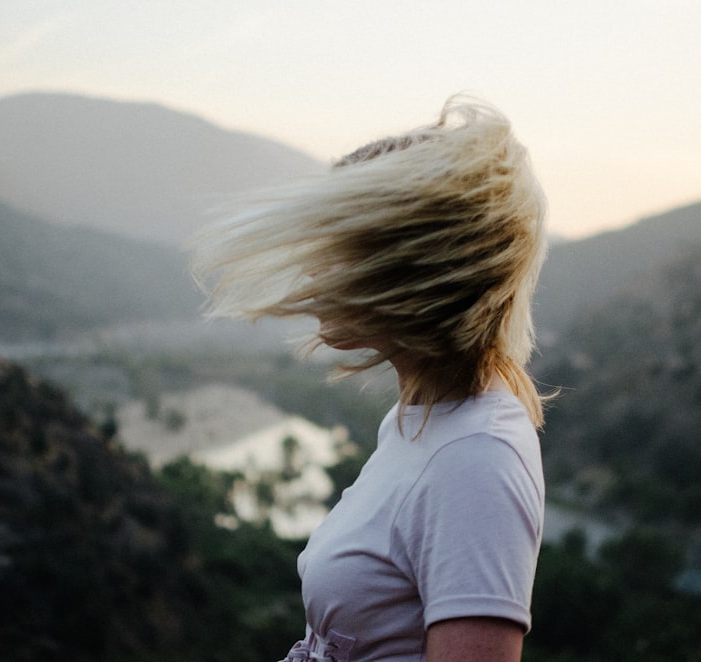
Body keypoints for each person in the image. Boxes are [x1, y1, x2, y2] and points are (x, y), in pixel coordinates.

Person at [190, 96, 548, 662]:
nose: (312, 268)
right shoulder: (421, 422)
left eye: (337, 244)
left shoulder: (476, 459)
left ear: (406, 264)